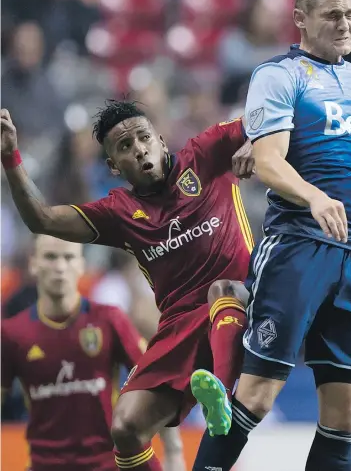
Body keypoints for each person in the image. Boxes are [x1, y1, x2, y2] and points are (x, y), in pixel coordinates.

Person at [191, 0, 351, 471]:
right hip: (297, 246)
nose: (344, 23)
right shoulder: (277, 76)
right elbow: (268, 160)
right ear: (301, 20)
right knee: (257, 394)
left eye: (350, 14)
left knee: (346, 414)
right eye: (332, 15)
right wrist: (316, 198)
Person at [1, 99, 254, 471]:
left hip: (242, 299)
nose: (138, 149)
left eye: (143, 138)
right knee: (125, 428)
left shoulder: (206, 153)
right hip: (180, 326)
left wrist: (254, 141)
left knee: (224, 290)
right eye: (125, 147)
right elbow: (42, 220)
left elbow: (273, 113)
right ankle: (216, 392)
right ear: (113, 167)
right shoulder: (119, 213)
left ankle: (225, 393)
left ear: (161, 141)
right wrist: (10, 157)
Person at [1, 234, 185, 471]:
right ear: (33, 263)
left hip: (107, 464)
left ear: (81, 265)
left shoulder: (108, 320)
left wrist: (174, 452)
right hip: (44, 465)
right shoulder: (12, 333)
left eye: (68, 257)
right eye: (50, 257)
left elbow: (154, 382)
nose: (60, 266)